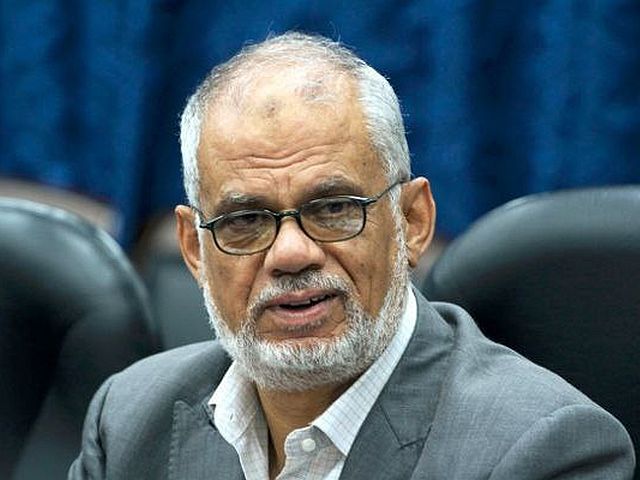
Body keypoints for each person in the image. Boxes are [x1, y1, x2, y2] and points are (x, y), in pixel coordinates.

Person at [68, 32, 635, 480]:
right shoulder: (129, 419)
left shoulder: (543, 450)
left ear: (412, 222)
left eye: (334, 208)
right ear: (195, 248)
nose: (291, 253)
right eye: (245, 220)